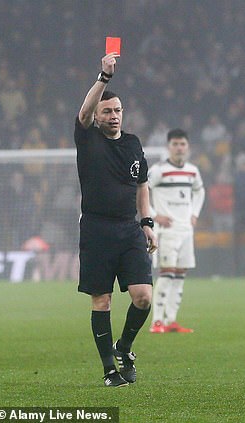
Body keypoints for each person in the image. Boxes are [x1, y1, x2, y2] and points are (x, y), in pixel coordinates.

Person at [75, 53, 157, 387]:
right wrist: (103, 77)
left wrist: (148, 221)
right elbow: (82, 113)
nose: (114, 116)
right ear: (97, 115)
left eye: (118, 110)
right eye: (107, 111)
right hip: (96, 228)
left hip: (129, 228)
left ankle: (124, 347)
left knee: (143, 297)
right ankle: (110, 370)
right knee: (102, 299)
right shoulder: (88, 137)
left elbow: (142, 185)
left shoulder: (134, 143)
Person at [148, 128, 205, 333]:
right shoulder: (159, 170)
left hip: (186, 231)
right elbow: (142, 191)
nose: (179, 148)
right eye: (175, 144)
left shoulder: (192, 171)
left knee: (180, 275)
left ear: (188, 147)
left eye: (182, 144)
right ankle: (157, 321)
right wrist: (154, 215)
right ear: (168, 147)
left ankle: (171, 320)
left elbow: (200, 191)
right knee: (166, 274)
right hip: (166, 232)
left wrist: (195, 213)